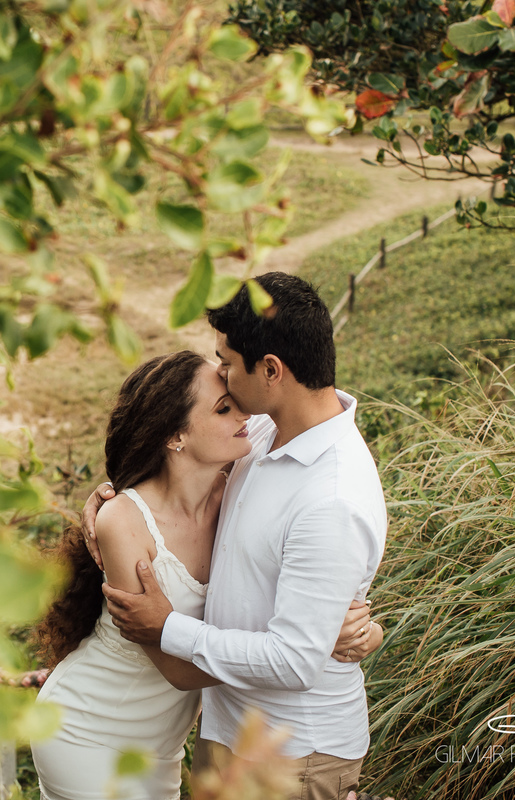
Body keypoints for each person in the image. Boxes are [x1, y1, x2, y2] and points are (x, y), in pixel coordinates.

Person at [85, 272, 388, 800]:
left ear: (271, 369)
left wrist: (168, 627)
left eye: (226, 361)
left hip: (292, 754)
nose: (221, 375)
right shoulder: (267, 432)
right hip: (228, 730)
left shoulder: (331, 495)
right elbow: (186, 469)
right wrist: (115, 498)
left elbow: (295, 662)